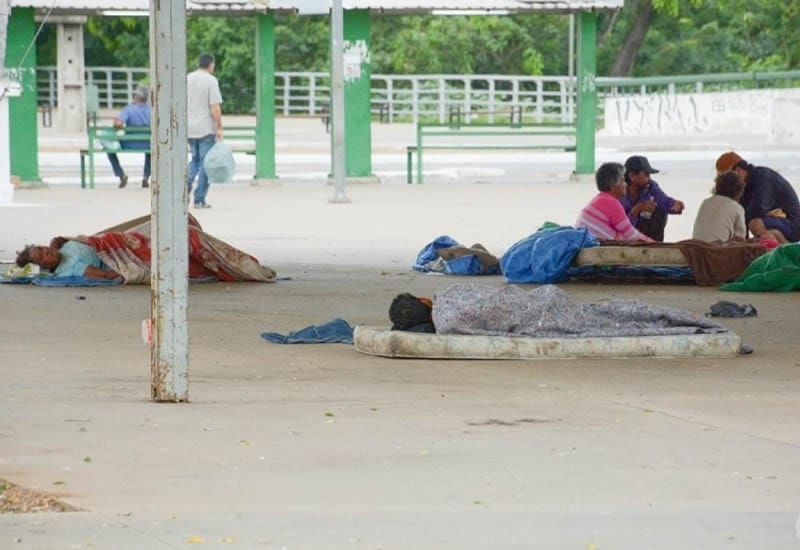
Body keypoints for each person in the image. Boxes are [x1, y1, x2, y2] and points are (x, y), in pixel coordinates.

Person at [715, 151, 800, 243]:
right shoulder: (742, 185)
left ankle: (786, 255)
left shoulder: (763, 177)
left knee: (755, 224)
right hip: (774, 226)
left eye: (727, 178)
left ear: (738, 170)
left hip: (793, 225)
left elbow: (758, 209)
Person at [575, 162, 654, 242]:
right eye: (622, 181)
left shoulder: (601, 199)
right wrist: (654, 244)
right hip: (592, 247)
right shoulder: (611, 203)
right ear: (613, 185)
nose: (626, 184)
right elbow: (632, 235)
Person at [186, 53, 223, 209]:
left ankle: (184, 189)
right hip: (205, 127)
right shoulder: (211, 80)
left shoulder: (187, 78)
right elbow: (214, 106)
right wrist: (219, 127)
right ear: (211, 64)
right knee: (205, 163)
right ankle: (199, 199)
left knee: (194, 160)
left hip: (189, 127)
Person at [618, 155, 685, 242]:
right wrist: (636, 210)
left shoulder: (651, 186)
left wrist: (675, 205)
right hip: (622, 238)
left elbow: (663, 200)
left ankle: (655, 246)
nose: (649, 178)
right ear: (632, 176)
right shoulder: (618, 193)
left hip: (644, 232)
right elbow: (620, 227)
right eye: (646, 175)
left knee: (660, 211)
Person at [106, 85, 151, 189]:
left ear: (136, 97)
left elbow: (118, 124)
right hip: (147, 143)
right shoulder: (151, 110)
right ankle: (146, 177)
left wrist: (116, 123)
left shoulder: (129, 109)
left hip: (129, 143)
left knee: (109, 149)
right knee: (151, 151)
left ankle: (121, 175)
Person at [15, 238, 121, 280]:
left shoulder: (59, 248)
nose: (46, 251)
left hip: (108, 244)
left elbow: (59, 239)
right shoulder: (72, 267)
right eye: (42, 256)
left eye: (41, 248)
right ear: (45, 266)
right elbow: (106, 275)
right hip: (116, 257)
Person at [692, 171, 747, 243]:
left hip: (695, 246)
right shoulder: (737, 208)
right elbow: (740, 238)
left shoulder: (706, 202)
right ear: (739, 190)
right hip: (717, 250)